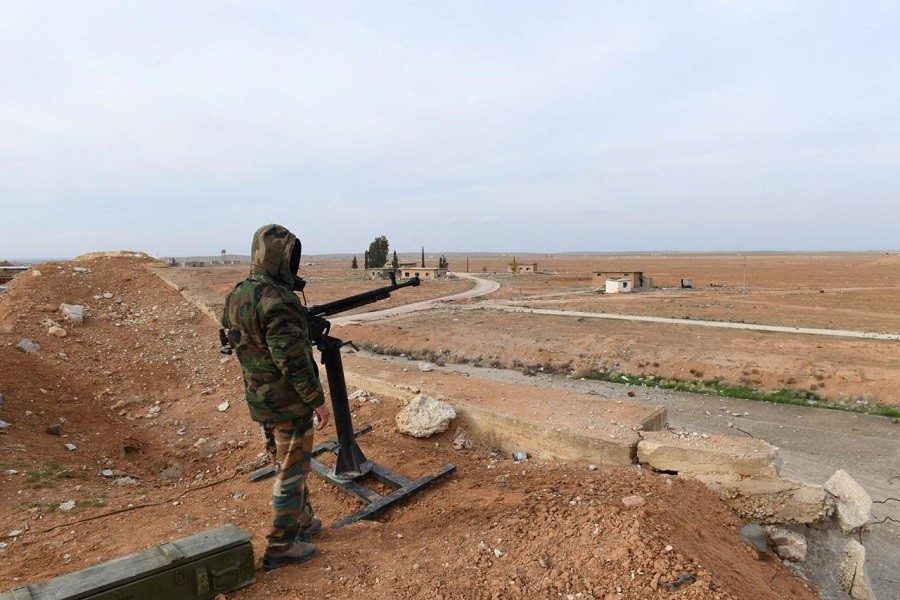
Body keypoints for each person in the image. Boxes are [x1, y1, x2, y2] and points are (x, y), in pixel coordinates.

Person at [221, 223, 331, 570]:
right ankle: (280, 547)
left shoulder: (239, 293)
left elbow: (233, 338)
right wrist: (317, 400)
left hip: (261, 400)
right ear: (280, 259)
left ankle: (302, 522)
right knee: (291, 472)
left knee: (286, 463)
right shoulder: (279, 300)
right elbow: (292, 361)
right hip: (288, 403)